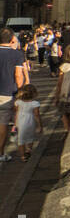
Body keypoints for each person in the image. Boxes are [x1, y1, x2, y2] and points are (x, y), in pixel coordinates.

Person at [0, 28, 30, 162]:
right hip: (9, 93)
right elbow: (18, 75)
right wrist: (20, 92)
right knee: (8, 124)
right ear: (12, 39)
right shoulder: (16, 54)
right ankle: (12, 153)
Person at [13, 83, 42, 161]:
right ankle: (28, 150)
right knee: (30, 138)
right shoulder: (35, 104)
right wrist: (39, 125)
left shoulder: (18, 102)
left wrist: (14, 124)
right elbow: (37, 115)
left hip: (20, 122)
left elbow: (16, 113)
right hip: (30, 122)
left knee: (21, 140)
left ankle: (23, 156)